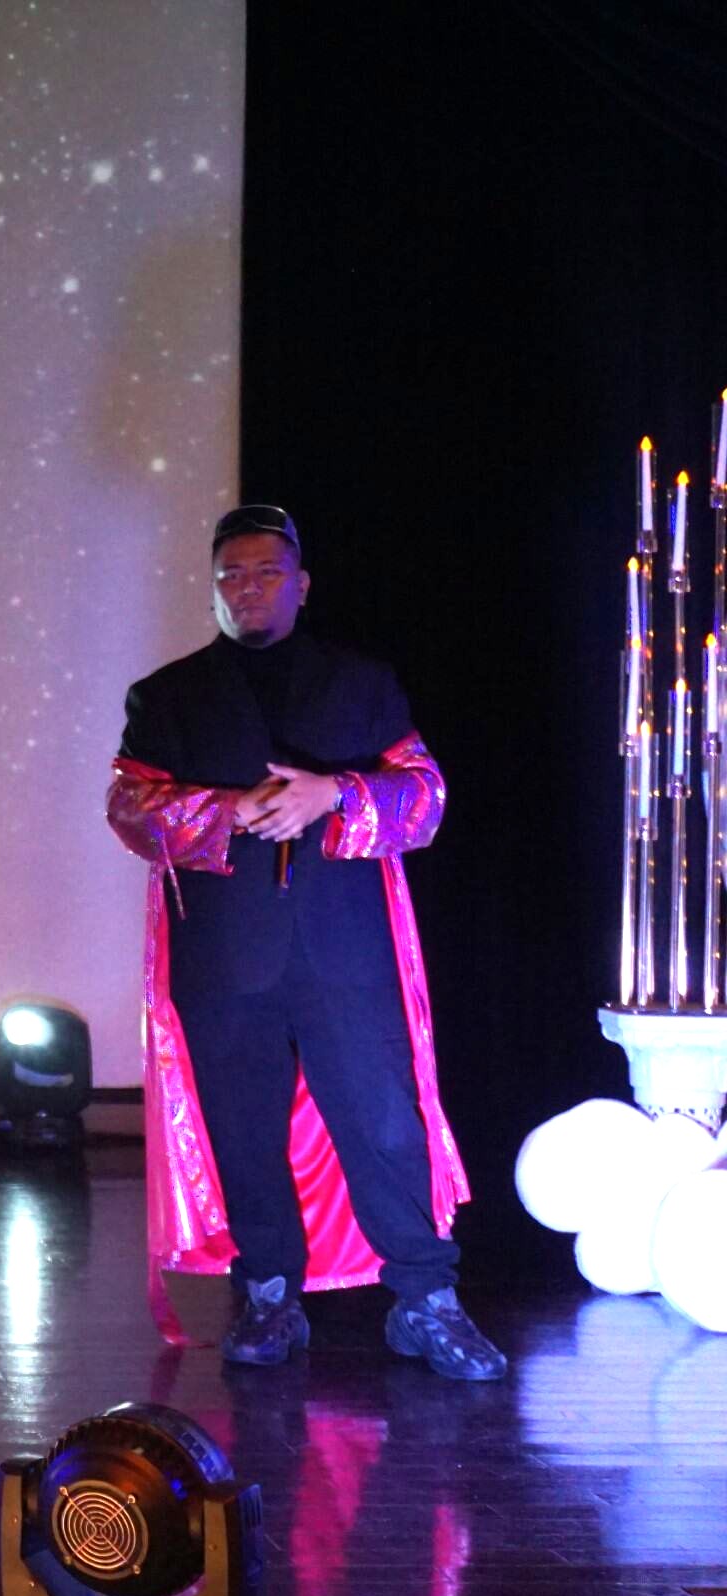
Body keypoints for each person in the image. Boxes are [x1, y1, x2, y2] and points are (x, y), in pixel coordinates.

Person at [107, 504, 504, 1379]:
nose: (248, 589)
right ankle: (269, 1294)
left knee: (384, 1123)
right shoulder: (166, 695)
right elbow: (129, 810)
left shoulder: (360, 684)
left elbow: (426, 797)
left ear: (301, 584)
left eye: (266, 573)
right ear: (214, 590)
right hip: (224, 956)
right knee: (243, 1130)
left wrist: (335, 795)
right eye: (231, 576)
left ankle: (425, 1299)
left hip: (346, 950)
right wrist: (225, 811)